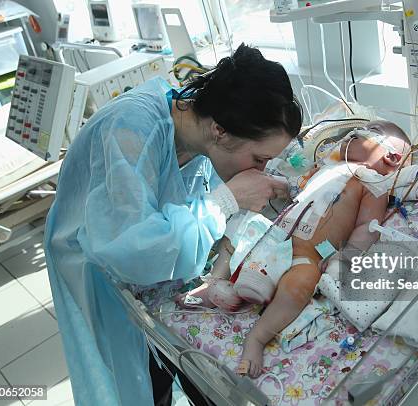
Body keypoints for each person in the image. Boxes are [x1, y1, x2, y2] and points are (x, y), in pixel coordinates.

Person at [43, 44, 302, 405]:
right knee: (136, 375)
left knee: (166, 365)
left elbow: (180, 199)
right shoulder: (130, 129)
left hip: (143, 261)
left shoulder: (194, 132)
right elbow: (134, 248)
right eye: (259, 159)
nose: (260, 170)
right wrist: (227, 200)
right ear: (220, 131)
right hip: (97, 265)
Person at [178, 121, 411, 377]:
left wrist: (345, 259)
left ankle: (257, 337)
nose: (352, 134)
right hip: (273, 237)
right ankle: (215, 283)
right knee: (240, 229)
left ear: (391, 157)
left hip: (309, 254)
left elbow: (367, 226)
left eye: (370, 133)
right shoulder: (326, 167)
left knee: (301, 285)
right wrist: (279, 184)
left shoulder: (374, 184)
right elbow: (294, 189)